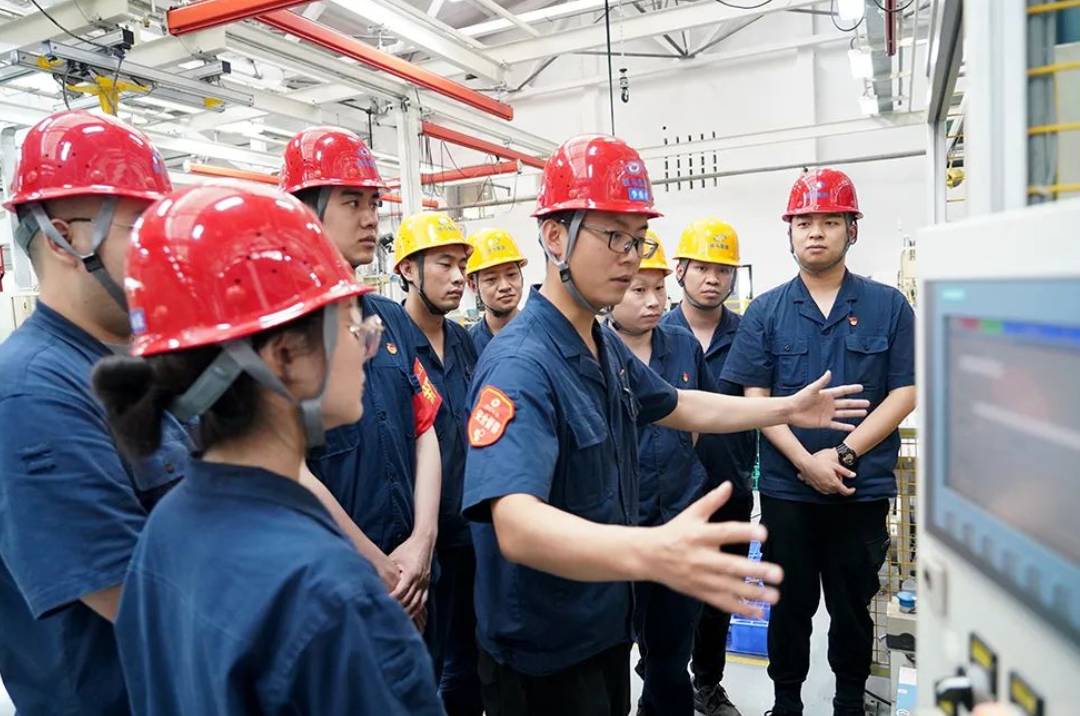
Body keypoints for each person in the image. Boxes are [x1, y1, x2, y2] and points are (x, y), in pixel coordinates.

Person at [461, 134, 870, 716]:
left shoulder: (599, 342)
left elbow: (680, 404)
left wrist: (784, 409)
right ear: (555, 237)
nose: (630, 257)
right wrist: (651, 550)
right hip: (542, 647)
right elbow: (517, 527)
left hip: (603, 621)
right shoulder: (522, 364)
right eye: (614, 237)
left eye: (636, 239)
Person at [91, 183, 444, 716]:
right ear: (284, 357)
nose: (365, 346)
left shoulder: (167, 529)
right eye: (350, 325)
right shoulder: (334, 597)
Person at [0, 110, 187, 715]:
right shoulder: (32, 391)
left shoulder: (139, 364)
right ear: (65, 239)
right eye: (143, 230)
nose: (164, 254)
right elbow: (144, 601)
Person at [721, 169, 917, 716]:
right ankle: (786, 702)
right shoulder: (765, 312)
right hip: (788, 492)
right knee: (789, 607)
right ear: (789, 231)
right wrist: (806, 461)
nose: (815, 232)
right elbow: (757, 399)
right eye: (804, 222)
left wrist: (844, 454)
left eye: (830, 221)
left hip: (860, 487)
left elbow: (905, 391)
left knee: (853, 608)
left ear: (852, 230)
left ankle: (849, 701)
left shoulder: (889, 307)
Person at [280, 126, 443, 631]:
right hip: (338, 590)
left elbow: (425, 428)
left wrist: (423, 540)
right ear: (305, 212)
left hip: (416, 577)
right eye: (352, 202)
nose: (372, 217)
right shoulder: (282, 334)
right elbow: (285, 465)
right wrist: (377, 564)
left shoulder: (390, 319)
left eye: (374, 203)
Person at [606, 236, 711, 716]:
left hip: (681, 522)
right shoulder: (594, 351)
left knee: (671, 654)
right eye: (637, 289)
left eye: (659, 289)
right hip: (618, 530)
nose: (652, 301)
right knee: (611, 652)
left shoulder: (684, 347)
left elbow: (697, 420)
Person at [662, 217, 757, 716]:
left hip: (730, 489)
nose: (713, 279)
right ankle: (663, 687)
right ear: (680, 270)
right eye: (702, 267)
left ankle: (707, 684)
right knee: (669, 599)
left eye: (723, 270)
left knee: (720, 598)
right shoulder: (656, 330)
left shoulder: (748, 334)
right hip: (670, 495)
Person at [395, 211, 483, 716]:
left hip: (469, 530)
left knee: (469, 660)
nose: (458, 278)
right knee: (421, 668)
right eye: (444, 264)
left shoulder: (465, 341)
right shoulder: (390, 343)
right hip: (416, 541)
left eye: (461, 266)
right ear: (408, 269)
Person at [465, 228, 528, 354]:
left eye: (511, 274)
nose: (505, 286)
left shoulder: (543, 334)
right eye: (491, 279)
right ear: (473, 286)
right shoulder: (468, 347)